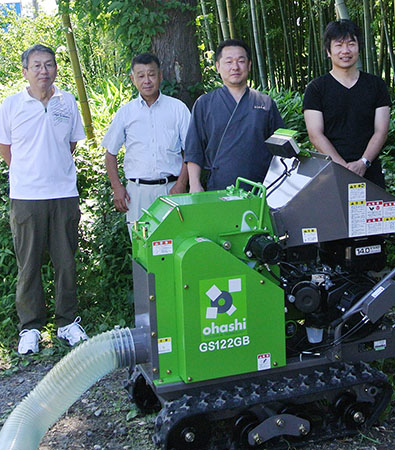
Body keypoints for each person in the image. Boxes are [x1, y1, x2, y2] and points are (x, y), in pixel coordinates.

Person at [0, 44, 88, 354]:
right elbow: (6, 149)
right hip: (26, 197)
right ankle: (31, 328)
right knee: (29, 264)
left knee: (66, 262)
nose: (43, 71)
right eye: (36, 66)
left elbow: (73, 142)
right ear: (24, 71)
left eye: (49, 65)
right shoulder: (11, 106)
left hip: (63, 194)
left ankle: (67, 322)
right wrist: (30, 173)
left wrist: (53, 170)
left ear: (55, 69)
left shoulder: (67, 102)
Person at [103, 53, 191, 234]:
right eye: (141, 75)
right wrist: (117, 187)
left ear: (160, 75)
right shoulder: (125, 113)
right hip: (137, 194)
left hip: (172, 190)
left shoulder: (178, 108)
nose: (147, 80)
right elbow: (110, 154)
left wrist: (182, 184)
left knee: (175, 244)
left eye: (151, 74)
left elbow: (190, 150)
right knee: (141, 248)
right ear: (132, 79)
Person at [185, 39, 284, 192]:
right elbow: (194, 149)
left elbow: (281, 148)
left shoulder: (265, 103)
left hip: (261, 187)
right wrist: (194, 184)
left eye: (241, 61)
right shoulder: (204, 103)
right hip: (219, 185)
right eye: (229, 62)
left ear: (249, 65)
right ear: (218, 66)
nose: (235, 67)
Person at [303, 19, 391, 188]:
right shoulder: (316, 88)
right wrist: (342, 166)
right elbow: (315, 134)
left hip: (370, 170)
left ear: (359, 48)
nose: (345, 50)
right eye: (339, 45)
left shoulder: (376, 85)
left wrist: (363, 162)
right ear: (328, 51)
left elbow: (381, 131)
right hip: (331, 171)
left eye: (351, 44)